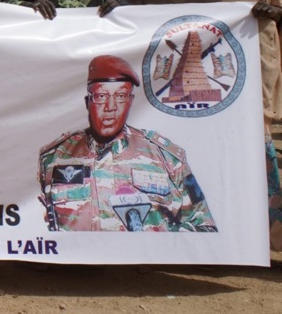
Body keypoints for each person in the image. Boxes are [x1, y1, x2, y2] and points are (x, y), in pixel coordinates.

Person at [121, 0, 282, 250]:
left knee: (255, 149)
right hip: (206, 74)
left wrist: (273, 12)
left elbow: (279, 2)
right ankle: (214, 236)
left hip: (257, 63)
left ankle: (262, 235)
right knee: (213, 151)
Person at [38, 56, 217, 232]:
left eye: (121, 96)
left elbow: (204, 228)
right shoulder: (53, 158)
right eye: (101, 96)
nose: (110, 106)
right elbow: (34, 228)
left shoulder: (167, 159)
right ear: (88, 102)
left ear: (130, 102)